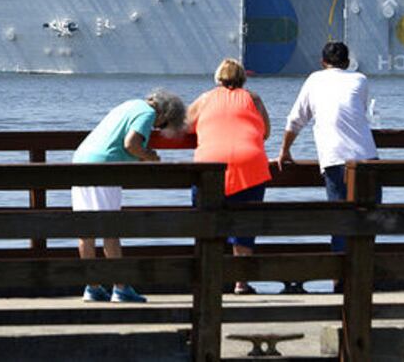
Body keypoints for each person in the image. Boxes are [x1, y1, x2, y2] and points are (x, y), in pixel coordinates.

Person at [70, 88, 188, 303]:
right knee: (111, 229)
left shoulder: (130, 104)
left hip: (80, 161)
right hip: (103, 169)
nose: (155, 128)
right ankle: (121, 288)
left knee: (86, 230)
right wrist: (148, 156)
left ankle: (92, 287)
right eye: (160, 126)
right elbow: (131, 143)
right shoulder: (147, 113)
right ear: (163, 114)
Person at [277, 41, 378, 253]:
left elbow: (295, 120)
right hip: (367, 159)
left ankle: (340, 280)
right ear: (348, 62)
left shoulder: (314, 80)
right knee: (368, 219)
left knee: (340, 222)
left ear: (322, 62)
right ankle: (365, 274)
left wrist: (285, 150)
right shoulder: (360, 79)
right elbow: (360, 111)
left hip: (335, 159)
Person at [186, 59, 272, 295]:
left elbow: (184, 125)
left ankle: (207, 277)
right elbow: (265, 131)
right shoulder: (253, 99)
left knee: (206, 222)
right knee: (244, 223)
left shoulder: (205, 99)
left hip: (210, 166)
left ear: (218, 78)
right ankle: (240, 282)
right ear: (243, 78)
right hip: (249, 164)